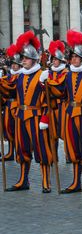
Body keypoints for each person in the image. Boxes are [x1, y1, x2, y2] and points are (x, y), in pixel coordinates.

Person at [47, 30, 82, 195]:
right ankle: (76, 182)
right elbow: (60, 92)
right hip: (70, 115)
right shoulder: (67, 75)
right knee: (73, 150)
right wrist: (46, 84)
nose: (74, 59)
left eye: (77, 57)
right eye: (72, 57)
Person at [0, 31, 52, 192]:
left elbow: (48, 100)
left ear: (34, 59)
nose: (23, 61)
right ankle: (23, 180)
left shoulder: (41, 75)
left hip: (36, 117)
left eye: (26, 58)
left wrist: (45, 118)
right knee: (22, 149)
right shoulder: (19, 76)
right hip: (21, 116)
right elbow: (8, 88)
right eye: (22, 58)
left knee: (41, 148)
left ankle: (46, 181)